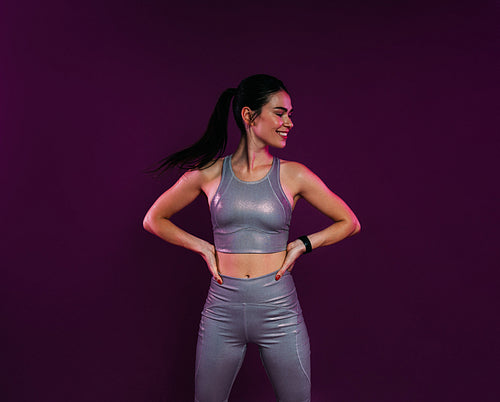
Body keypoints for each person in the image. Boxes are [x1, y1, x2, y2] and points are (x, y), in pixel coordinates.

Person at [143, 74, 360, 402]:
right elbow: (153, 219)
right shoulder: (210, 173)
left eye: (289, 114)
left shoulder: (294, 174)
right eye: (279, 113)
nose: (288, 122)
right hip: (222, 308)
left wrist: (303, 244)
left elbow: (349, 221)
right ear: (249, 116)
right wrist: (202, 246)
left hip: (278, 308)